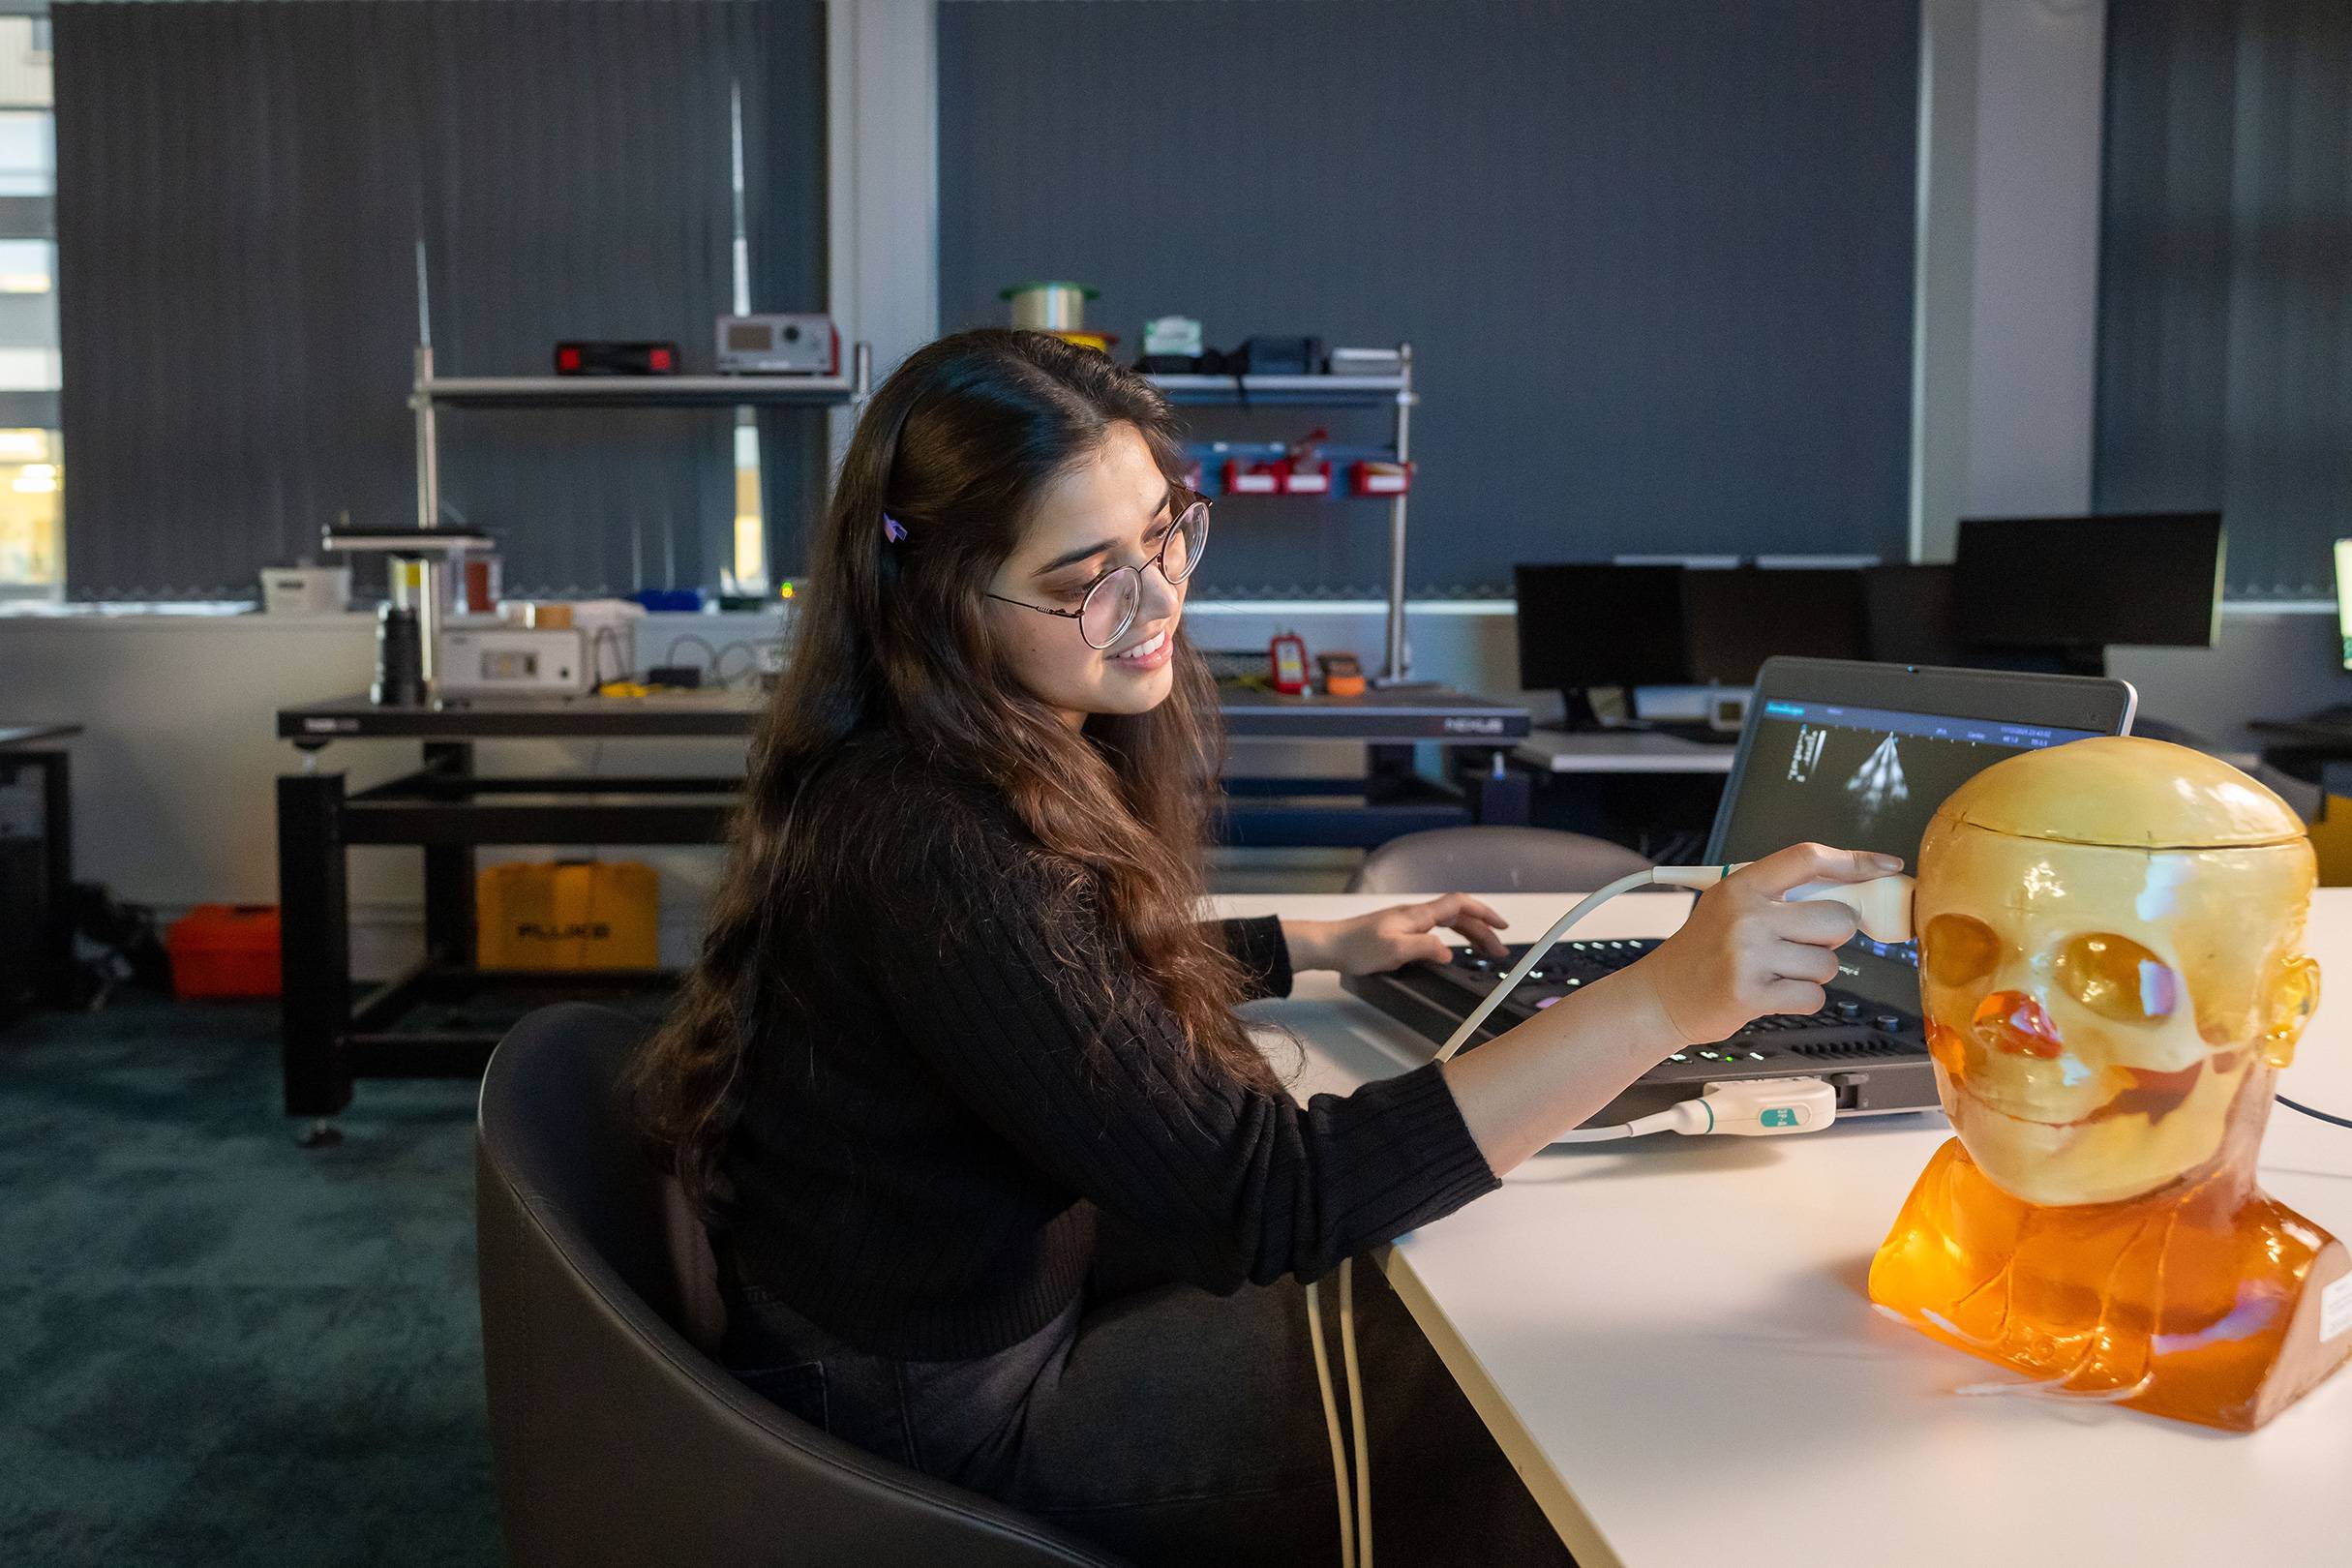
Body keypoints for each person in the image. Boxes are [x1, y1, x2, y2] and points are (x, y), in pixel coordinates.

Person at [628, 329, 1891, 1565]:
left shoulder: (918, 767)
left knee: (1438, 1255)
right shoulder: (931, 840)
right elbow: (1264, 1199)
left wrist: (1304, 938)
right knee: (1497, 1366)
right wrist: (1658, 999)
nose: (1158, 600)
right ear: (938, 598)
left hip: (927, 1330)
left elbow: (1044, 987)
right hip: (946, 1422)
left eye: (1165, 531)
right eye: (1088, 580)